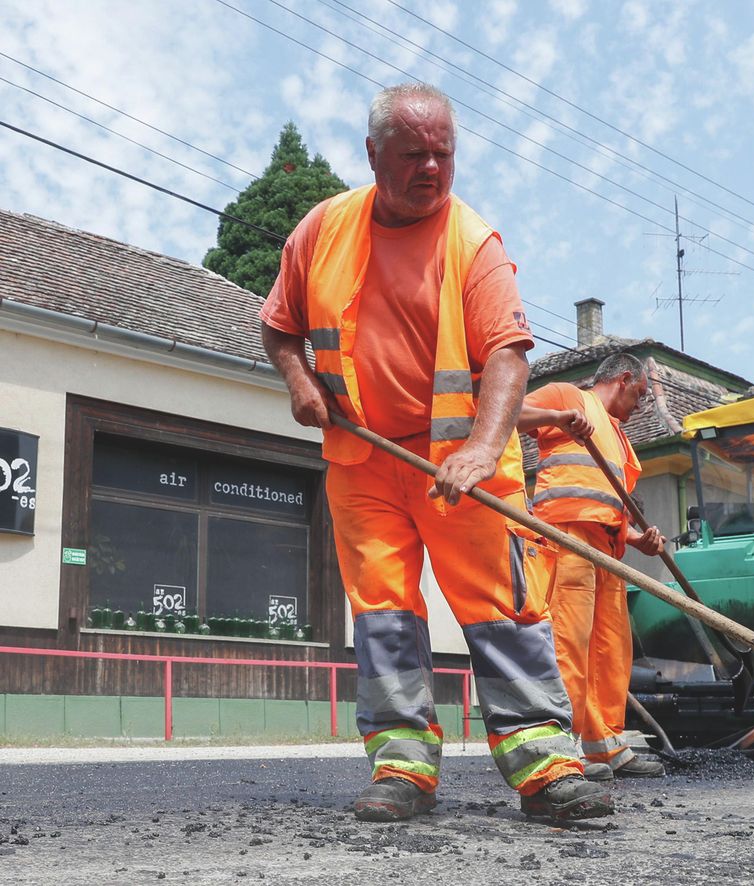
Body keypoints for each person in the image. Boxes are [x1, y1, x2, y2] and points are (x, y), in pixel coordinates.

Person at [260, 83, 611, 823]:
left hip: (460, 466)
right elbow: (280, 326)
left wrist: (484, 448)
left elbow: (510, 356)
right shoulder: (322, 230)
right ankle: (402, 770)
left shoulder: (471, 242)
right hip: (363, 462)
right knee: (384, 615)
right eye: (414, 153)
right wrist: (298, 382)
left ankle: (546, 767)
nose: (432, 168)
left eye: (444, 154)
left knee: (503, 610)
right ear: (373, 154)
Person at [519, 353, 667, 781]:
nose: (640, 406)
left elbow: (604, 503)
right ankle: (563, 748)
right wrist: (558, 417)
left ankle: (606, 746)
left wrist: (636, 538)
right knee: (570, 645)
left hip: (606, 551)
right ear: (624, 379)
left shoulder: (619, 439)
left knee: (610, 653)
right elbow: (506, 414)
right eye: (639, 394)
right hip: (568, 542)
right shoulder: (571, 398)